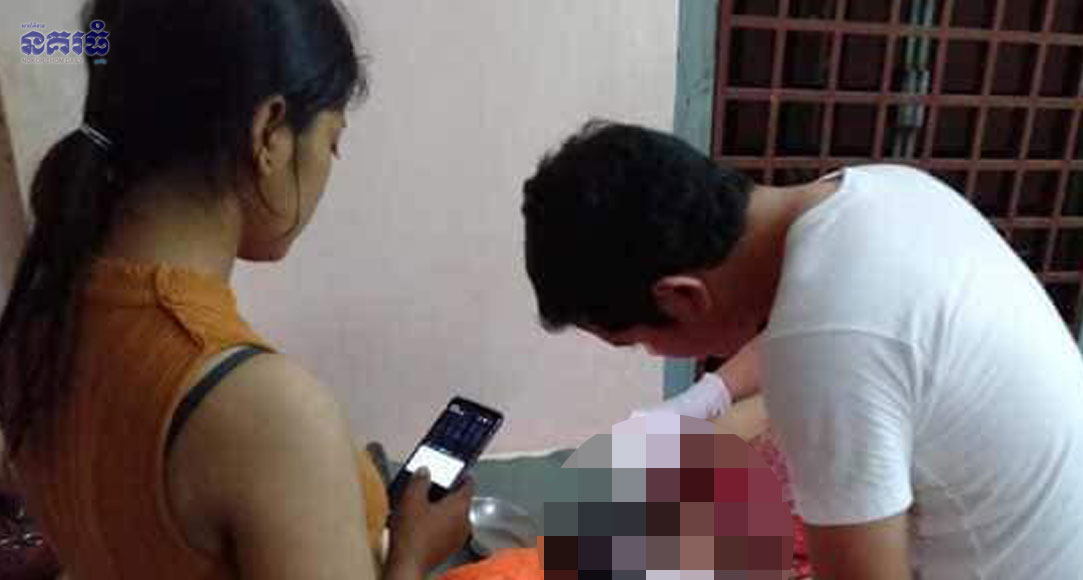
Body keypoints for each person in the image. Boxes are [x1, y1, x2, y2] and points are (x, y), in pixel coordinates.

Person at [0, 1, 473, 578]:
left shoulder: (36, 320)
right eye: (332, 140)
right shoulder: (267, 413)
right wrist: (414, 553)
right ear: (270, 132)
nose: (330, 164)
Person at [520, 120, 1083, 579]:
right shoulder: (881, 193)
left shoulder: (825, 350)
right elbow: (823, 340)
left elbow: (824, 351)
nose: (653, 354)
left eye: (640, 342)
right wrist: (703, 400)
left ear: (682, 296)